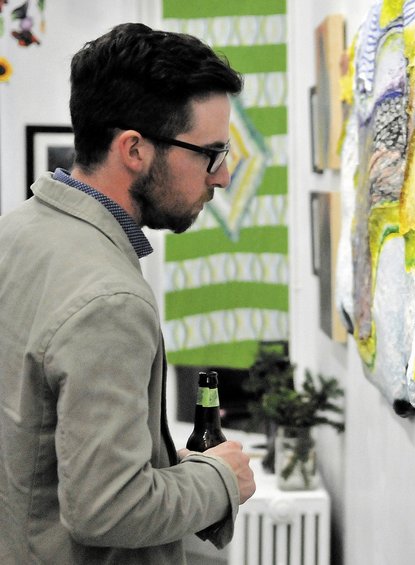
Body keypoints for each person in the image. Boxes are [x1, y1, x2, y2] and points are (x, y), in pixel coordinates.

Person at [0, 23, 256, 564]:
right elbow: (108, 508)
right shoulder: (110, 300)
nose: (224, 176)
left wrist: (166, 462)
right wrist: (220, 481)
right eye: (210, 154)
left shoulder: (15, 233)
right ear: (134, 150)